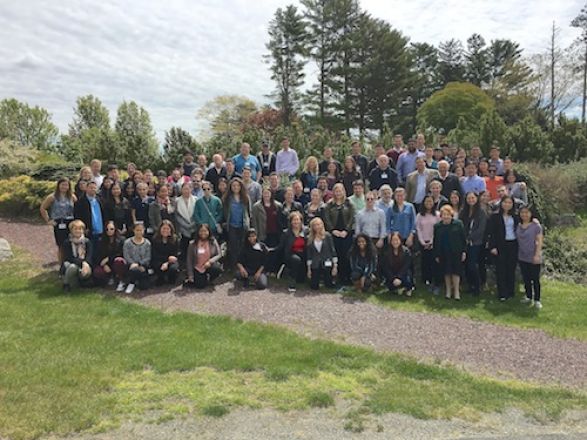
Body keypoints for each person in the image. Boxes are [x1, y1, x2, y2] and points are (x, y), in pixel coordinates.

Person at [322, 183, 355, 284]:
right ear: (333, 192)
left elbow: (352, 218)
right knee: (336, 255)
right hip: (334, 234)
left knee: (346, 255)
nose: (338, 193)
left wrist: (346, 230)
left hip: (346, 233)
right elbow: (326, 219)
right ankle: (336, 276)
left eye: (340, 191)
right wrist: (333, 230)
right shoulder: (329, 205)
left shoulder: (349, 203)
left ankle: (347, 277)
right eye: (336, 191)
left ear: (343, 191)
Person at [488, 196, 519, 301]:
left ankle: (510, 292)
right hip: (500, 245)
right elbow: (491, 233)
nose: (507, 204)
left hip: (513, 244)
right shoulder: (495, 216)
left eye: (510, 203)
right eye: (505, 202)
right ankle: (502, 293)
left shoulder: (515, 216)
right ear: (501, 203)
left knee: (511, 268)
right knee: (501, 269)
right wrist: (492, 246)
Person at [40, 177, 77, 264]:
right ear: (58, 185)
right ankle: (61, 265)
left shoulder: (72, 196)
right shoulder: (52, 197)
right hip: (59, 222)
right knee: (61, 245)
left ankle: (72, 262)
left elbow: (77, 207)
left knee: (72, 243)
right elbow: (43, 208)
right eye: (62, 185)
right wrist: (48, 220)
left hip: (70, 222)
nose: (64, 187)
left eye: (66, 185)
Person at [434, 205, 466, 300]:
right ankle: (448, 291)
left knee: (456, 272)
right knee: (446, 272)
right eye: (444, 214)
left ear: (451, 215)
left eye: (448, 214)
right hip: (443, 252)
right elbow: (436, 241)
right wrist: (437, 254)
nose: (446, 216)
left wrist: (464, 251)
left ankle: (456, 291)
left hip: (456, 252)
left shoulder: (458, 224)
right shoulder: (437, 226)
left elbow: (463, 239)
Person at [459, 192, 488, 296]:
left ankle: (477, 287)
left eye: (473, 198)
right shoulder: (463, 211)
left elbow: (481, 229)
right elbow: (460, 225)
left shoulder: (481, 212)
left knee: (472, 265)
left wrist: (470, 238)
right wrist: (464, 238)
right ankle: (470, 286)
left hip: (476, 242)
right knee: (466, 265)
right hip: (464, 242)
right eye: (469, 198)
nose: (471, 200)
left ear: (477, 199)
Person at [517, 206, 544, 309]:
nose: (524, 215)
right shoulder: (518, 225)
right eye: (522, 212)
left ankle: (537, 299)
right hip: (522, 256)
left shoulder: (536, 226)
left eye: (527, 212)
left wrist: (537, 255)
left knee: (535, 279)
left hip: (534, 256)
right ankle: (528, 296)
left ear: (531, 214)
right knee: (526, 278)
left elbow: (539, 241)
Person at [73, 180, 105, 263]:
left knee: (99, 252)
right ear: (86, 189)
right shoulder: (80, 202)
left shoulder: (100, 200)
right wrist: (83, 229)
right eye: (90, 188)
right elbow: (77, 217)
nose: (93, 189)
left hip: (101, 232)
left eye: (94, 188)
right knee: (89, 253)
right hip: (88, 232)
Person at [223, 178, 251, 267]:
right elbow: (225, 212)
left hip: (243, 225)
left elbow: (249, 212)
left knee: (242, 246)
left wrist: (248, 222)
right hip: (232, 225)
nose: (236, 187)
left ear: (241, 187)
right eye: (233, 185)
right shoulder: (227, 198)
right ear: (230, 187)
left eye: (238, 185)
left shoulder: (246, 197)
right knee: (233, 246)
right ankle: (234, 266)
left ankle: (242, 264)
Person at [276, 211, 308, 292]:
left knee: (301, 280)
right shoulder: (286, 233)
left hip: (303, 254)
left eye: (298, 220)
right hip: (291, 255)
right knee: (296, 260)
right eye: (294, 220)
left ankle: (289, 272)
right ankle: (292, 281)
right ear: (290, 222)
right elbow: (281, 247)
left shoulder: (306, 231)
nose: (296, 222)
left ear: (301, 221)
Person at [185, 224, 223, 289]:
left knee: (217, 269)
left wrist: (210, 262)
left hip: (209, 265)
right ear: (198, 232)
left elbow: (219, 254)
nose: (203, 233)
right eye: (201, 231)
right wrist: (190, 275)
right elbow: (189, 260)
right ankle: (197, 279)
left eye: (205, 231)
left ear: (208, 232)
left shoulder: (213, 241)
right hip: (197, 267)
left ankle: (210, 278)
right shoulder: (192, 244)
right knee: (200, 286)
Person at [416, 195, 440, 294]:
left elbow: (438, 229)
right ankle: (426, 280)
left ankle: (435, 281)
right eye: (427, 202)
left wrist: (431, 241)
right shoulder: (419, 215)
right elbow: (418, 229)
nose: (428, 204)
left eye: (430, 202)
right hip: (423, 242)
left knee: (434, 262)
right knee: (424, 262)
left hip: (434, 242)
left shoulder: (437, 215)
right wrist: (422, 242)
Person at [60, 220, 93, 292]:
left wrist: (86, 264)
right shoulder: (67, 243)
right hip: (72, 265)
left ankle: (80, 282)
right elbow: (69, 258)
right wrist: (82, 263)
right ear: (71, 230)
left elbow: (89, 255)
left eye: (80, 229)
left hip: (84, 266)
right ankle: (66, 284)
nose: (78, 231)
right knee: (72, 267)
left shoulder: (87, 242)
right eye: (75, 229)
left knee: (86, 272)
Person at [93, 221, 126, 291]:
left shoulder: (121, 240)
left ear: (115, 229)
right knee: (97, 271)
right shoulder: (100, 241)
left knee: (119, 261)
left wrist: (108, 259)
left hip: (116, 262)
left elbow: (121, 253)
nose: (109, 231)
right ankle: (108, 279)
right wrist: (104, 265)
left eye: (111, 229)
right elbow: (97, 255)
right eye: (107, 229)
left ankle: (121, 281)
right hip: (105, 264)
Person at [306, 217, 337, 290]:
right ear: (312, 227)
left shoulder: (327, 236)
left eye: (319, 224)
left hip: (327, 261)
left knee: (329, 285)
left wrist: (335, 266)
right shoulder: (309, 238)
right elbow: (309, 254)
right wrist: (309, 269)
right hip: (315, 263)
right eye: (315, 225)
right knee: (314, 286)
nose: (317, 226)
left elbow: (333, 251)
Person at [122, 222, 152, 293]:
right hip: (130, 266)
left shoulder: (147, 243)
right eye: (137, 230)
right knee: (134, 271)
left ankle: (137, 281)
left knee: (144, 286)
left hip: (143, 266)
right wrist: (133, 264)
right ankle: (131, 283)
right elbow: (126, 255)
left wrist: (139, 264)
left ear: (144, 230)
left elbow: (148, 257)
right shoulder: (127, 242)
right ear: (134, 230)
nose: (139, 232)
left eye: (141, 230)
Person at [151, 220, 179, 286]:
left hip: (171, 260)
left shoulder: (175, 239)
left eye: (167, 229)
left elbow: (175, 253)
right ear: (160, 229)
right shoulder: (155, 239)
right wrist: (164, 261)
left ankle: (171, 278)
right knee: (157, 265)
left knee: (173, 268)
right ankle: (160, 278)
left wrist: (167, 263)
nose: (165, 230)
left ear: (171, 230)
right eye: (164, 228)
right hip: (159, 260)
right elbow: (154, 254)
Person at [175, 182, 197, 263]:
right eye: (184, 189)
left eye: (188, 189)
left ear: (191, 189)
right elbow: (177, 216)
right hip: (182, 229)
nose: (186, 191)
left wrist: (192, 224)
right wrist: (185, 225)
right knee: (185, 248)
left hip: (194, 228)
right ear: (181, 190)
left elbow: (197, 214)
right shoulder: (177, 201)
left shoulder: (196, 199)